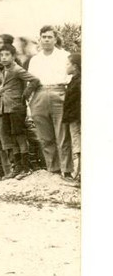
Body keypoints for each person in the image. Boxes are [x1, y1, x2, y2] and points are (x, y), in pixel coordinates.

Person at [26, 25, 73, 180]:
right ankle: (53, 169)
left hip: (59, 92)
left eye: (49, 37)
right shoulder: (35, 59)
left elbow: (71, 78)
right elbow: (30, 82)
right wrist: (29, 103)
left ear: (55, 39)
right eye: (44, 37)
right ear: (40, 39)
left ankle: (66, 170)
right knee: (45, 137)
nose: (46, 40)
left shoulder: (65, 56)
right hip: (39, 94)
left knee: (62, 134)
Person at [0, 44, 41, 179]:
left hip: (16, 108)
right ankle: (18, 167)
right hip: (6, 108)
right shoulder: (5, 70)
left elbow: (34, 80)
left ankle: (26, 168)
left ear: (13, 56)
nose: (3, 58)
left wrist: (25, 94)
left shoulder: (16, 69)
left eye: (7, 55)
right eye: (2, 55)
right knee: (12, 137)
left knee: (20, 136)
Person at [64, 53, 81, 183]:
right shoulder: (74, 80)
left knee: (78, 146)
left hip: (76, 118)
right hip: (73, 118)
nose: (66, 66)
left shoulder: (79, 81)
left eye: (68, 64)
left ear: (75, 66)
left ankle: (80, 176)